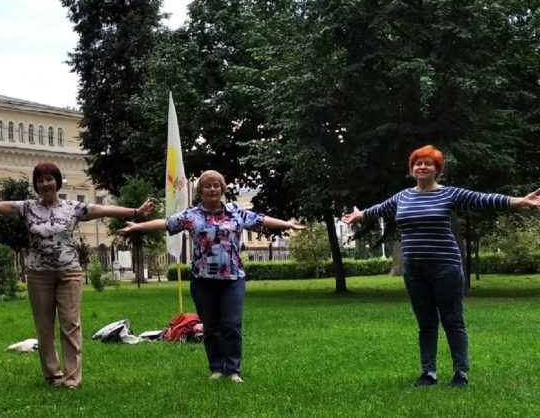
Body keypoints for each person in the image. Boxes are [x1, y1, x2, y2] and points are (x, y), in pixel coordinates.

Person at [0, 162, 155, 390]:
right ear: (36, 185)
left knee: (70, 325)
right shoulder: (26, 208)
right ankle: (53, 376)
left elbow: (104, 209)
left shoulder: (73, 208)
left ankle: (72, 379)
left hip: (69, 272)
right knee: (44, 327)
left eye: (49, 179)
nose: (45, 184)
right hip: (38, 275)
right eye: (40, 180)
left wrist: (136, 212)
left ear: (57, 181)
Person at [341, 144, 540, 388]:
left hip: (445, 267)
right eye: (418, 163)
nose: (422, 167)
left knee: (452, 320)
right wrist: (359, 216)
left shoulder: (449, 194)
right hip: (414, 270)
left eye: (428, 163)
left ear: (437, 169)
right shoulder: (402, 197)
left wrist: (520, 201)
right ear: (412, 169)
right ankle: (428, 373)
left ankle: (460, 373)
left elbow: (483, 199)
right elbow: (379, 210)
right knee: (425, 322)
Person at [119, 169, 305, 383]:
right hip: (203, 280)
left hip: (232, 278)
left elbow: (262, 220)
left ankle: (233, 370)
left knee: (232, 324)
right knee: (211, 326)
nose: (212, 189)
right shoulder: (192, 215)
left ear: (222, 189)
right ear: (201, 190)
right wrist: (138, 226)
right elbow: (166, 223)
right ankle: (216, 368)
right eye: (207, 185)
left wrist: (288, 224)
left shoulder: (236, 212)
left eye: (216, 185)